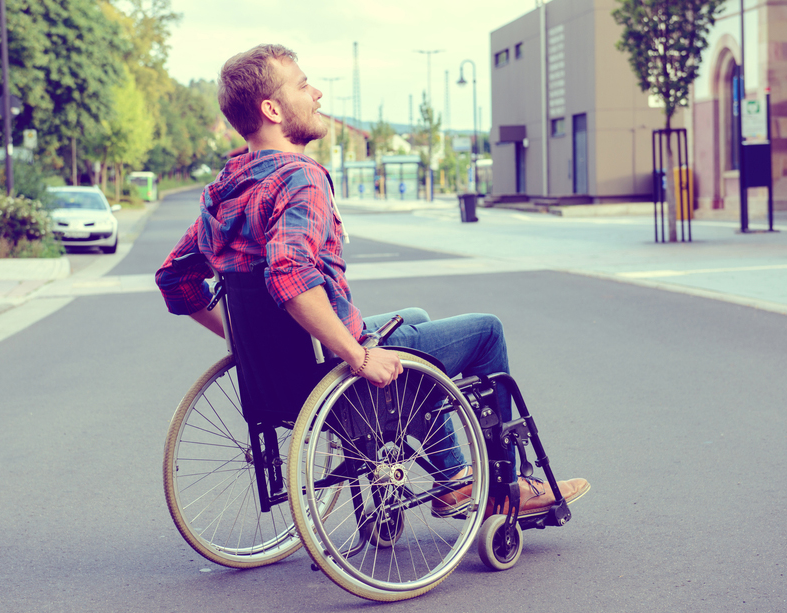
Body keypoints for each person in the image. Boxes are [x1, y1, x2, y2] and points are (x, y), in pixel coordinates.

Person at [156, 44, 589, 519]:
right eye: (303, 85)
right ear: (272, 109)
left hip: (278, 379)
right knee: (487, 331)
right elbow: (289, 276)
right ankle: (503, 487)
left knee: (418, 319)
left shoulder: (224, 190)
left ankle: (454, 481)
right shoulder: (299, 180)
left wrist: (247, 342)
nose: (317, 93)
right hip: (332, 376)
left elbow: (176, 279)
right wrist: (358, 355)